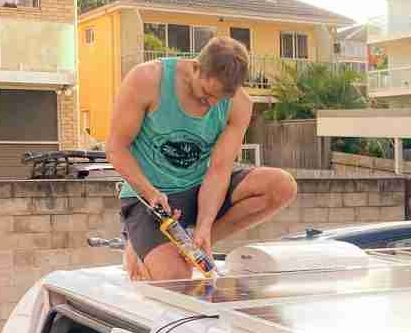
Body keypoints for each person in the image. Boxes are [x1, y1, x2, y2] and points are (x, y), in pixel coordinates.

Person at [107, 36, 297, 280]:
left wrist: (205, 226)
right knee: (176, 281)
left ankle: (192, 243)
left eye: (221, 99)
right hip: (150, 196)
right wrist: (150, 192)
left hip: (199, 190)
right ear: (196, 67)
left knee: (281, 186)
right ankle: (142, 244)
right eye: (207, 94)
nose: (211, 105)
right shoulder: (147, 79)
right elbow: (116, 148)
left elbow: (218, 170)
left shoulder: (239, 105)